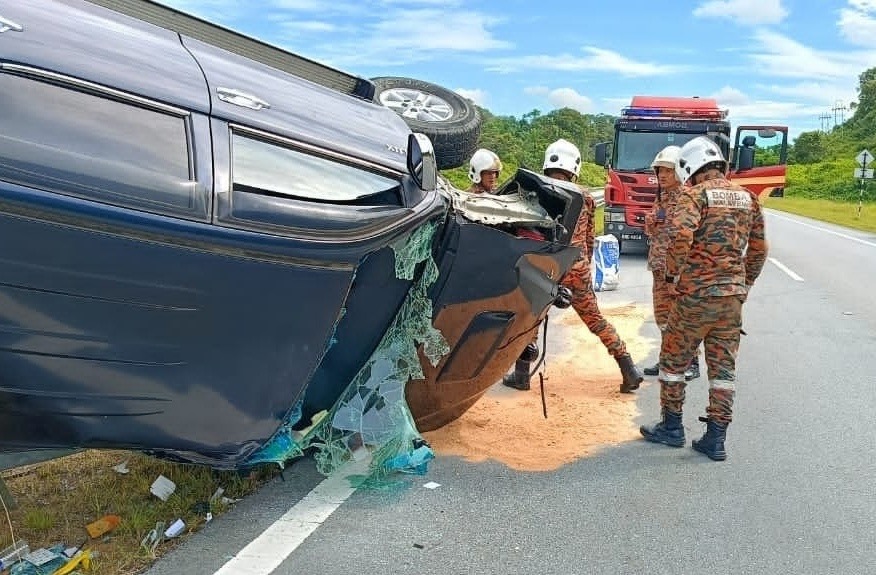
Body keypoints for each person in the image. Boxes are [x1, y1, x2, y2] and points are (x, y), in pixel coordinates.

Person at [639, 136, 768, 461]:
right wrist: (745, 284)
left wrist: (672, 277)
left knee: (673, 362)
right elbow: (759, 249)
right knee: (723, 368)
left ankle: (672, 427)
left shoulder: (694, 195)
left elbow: (681, 236)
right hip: (731, 299)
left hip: (694, 297)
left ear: (690, 167)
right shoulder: (748, 198)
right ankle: (716, 438)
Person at [503, 138, 643, 393]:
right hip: (577, 269)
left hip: (546, 269)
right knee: (596, 320)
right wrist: (582, 269)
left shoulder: (537, 191)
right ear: (575, 167)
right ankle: (628, 368)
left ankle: (522, 376)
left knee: (531, 320)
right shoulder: (586, 197)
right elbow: (588, 239)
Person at [642, 146, 701, 381]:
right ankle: (667, 358)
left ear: (679, 172)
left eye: (668, 171)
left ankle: (692, 362)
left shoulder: (688, 198)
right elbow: (654, 230)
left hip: (678, 271)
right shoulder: (662, 197)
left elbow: (687, 235)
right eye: (660, 171)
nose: (662, 176)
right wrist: (650, 223)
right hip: (659, 267)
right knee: (663, 317)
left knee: (682, 318)